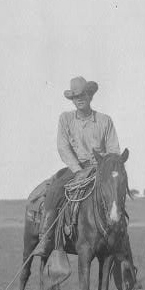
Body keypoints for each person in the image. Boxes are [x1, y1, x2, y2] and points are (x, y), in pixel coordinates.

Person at [32, 76, 121, 274]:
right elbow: (63, 147)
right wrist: (78, 170)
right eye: (75, 96)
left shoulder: (105, 121)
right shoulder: (65, 119)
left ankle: (120, 243)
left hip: (100, 168)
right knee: (55, 190)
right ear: (72, 99)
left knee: (115, 191)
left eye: (83, 95)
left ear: (90, 95)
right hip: (75, 169)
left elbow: (114, 149)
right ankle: (46, 239)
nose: (79, 99)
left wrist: (104, 165)